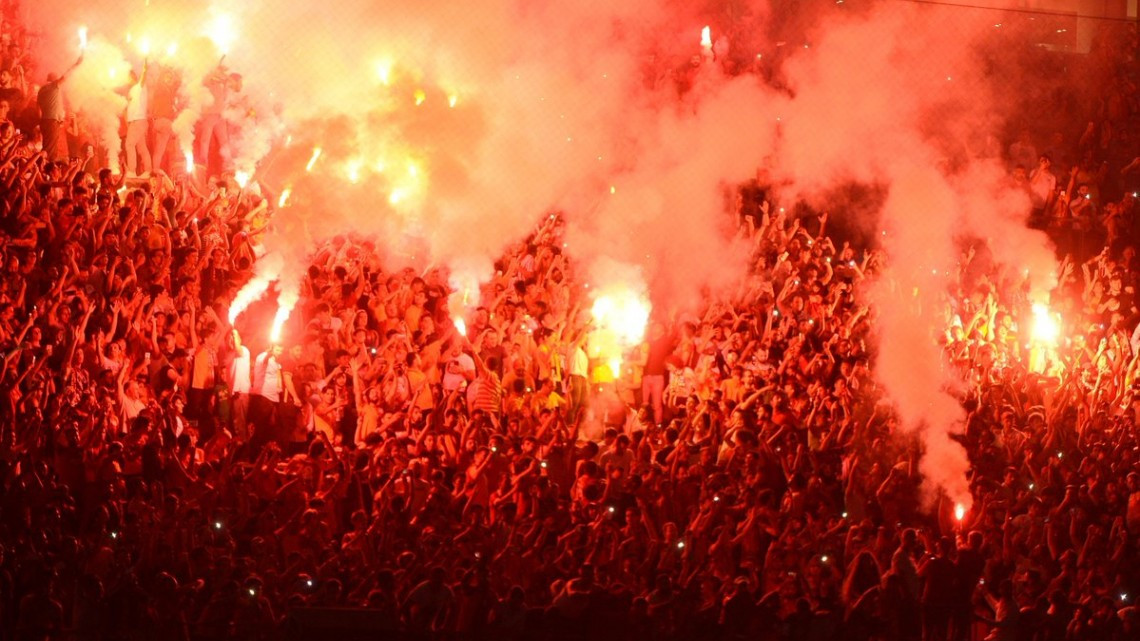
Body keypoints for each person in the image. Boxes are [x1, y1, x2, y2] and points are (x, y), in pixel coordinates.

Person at [37, 55, 82, 162]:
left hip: (46, 121)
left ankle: (47, 168)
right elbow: (65, 76)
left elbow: (37, 108)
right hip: (52, 121)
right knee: (49, 150)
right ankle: (46, 170)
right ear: (53, 80)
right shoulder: (52, 86)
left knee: (48, 146)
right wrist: (76, 64)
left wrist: (42, 121)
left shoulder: (41, 91)